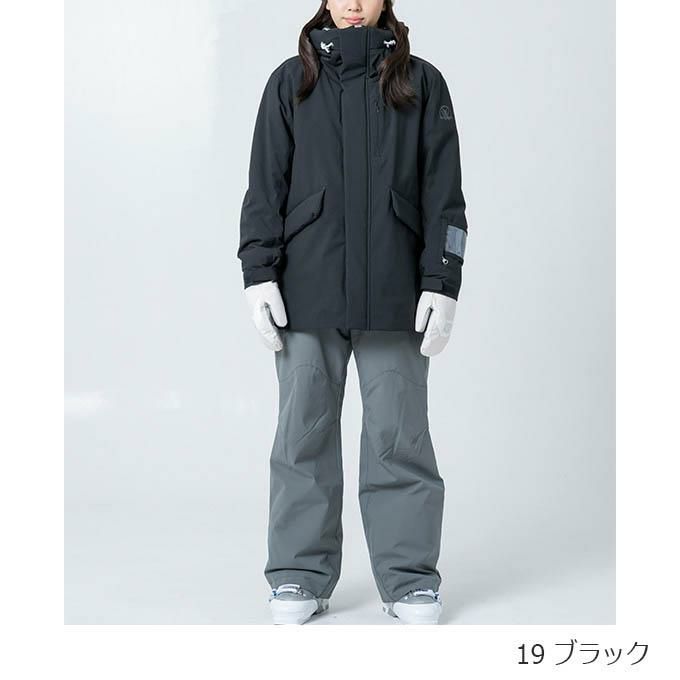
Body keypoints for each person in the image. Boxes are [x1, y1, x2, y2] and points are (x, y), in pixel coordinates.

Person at [237, 0, 468, 625]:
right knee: (303, 432)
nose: (353, 3)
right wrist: (259, 273)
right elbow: (265, 186)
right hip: (307, 290)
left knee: (400, 434)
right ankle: (297, 573)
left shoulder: (421, 82)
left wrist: (442, 280)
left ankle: (410, 578)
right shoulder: (292, 81)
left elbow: (445, 193)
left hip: (395, 291)